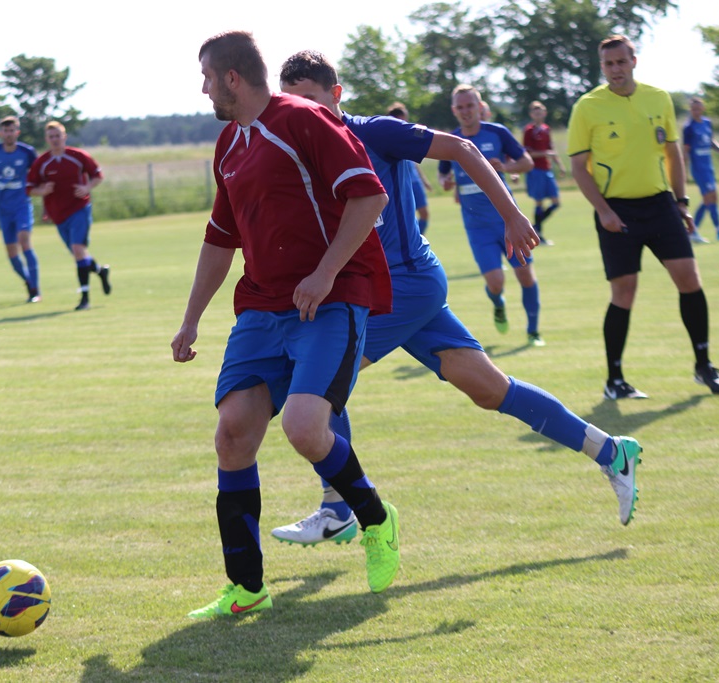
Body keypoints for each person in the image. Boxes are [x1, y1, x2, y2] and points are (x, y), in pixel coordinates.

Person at [270, 50, 642, 551]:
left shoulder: (377, 132)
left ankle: (338, 507)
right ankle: (611, 451)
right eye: (290, 102)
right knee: (490, 389)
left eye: (310, 100)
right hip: (380, 291)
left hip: (406, 285)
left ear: (335, 96)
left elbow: (464, 149)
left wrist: (511, 215)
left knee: (318, 379)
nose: (300, 112)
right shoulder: (300, 151)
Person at [170, 31, 399, 620]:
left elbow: (368, 199)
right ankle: (246, 588)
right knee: (233, 433)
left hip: (330, 301)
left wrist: (324, 274)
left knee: (303, 426)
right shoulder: (229, 144)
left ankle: (375, 518)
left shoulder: (303, 121)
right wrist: (191, 320)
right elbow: (221, 240)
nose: (202, 89)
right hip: (261, 310)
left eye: (205, 77)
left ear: (232, 79)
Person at [568, 35, 719, 399]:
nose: (615, 70)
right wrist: (604, 211)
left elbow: (673, 153)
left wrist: (682, 202)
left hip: (660, 205)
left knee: (689, 279)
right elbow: (578, 168)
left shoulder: (658, 99)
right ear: (602, 67)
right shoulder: (587, 106)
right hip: (617, 211)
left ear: (634, 61)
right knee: (624, 292)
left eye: (621, 62)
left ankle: (704, 366)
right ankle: (615, 381)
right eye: (608, 64)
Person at [437, 85, 544, 346]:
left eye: (470, 106)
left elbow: (527, 162)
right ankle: (498, 303)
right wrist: (446, 181)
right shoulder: (449, 140)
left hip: (507, 220)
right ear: (454, 110)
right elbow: (442, 173)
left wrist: (505, 166)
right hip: (476, 226)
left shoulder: (497, 133)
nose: (465, 112)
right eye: (460, 107)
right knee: (495, 283)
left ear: (480, 106)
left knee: (525, 276)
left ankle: (533, 331)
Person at [26, 121, 111, 310]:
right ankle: (100, 271)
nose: (55, 139)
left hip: (80, 209)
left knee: (78, 250)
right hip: (58, 215)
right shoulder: (42, 163)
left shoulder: (78, 156)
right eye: (51, 137)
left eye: (58, 136)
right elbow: (29, 188)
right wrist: (42, 190)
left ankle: (85, 298)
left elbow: (98, 175)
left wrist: (87, 187)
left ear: (64, 137)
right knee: (78, 255)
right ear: (46, 139)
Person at [0, 116, 40, 302]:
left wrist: (42, 197)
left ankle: (36, 290)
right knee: (11, 253)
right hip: (3, 207)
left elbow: (38, 176)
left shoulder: (27, 152)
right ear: (1, 133)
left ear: (17, 132)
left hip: (22, 204)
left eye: (12, 130)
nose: (8, 134)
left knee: (24, 241)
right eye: (5, 131)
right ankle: (29, 283)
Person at [683, 96, 719, 244]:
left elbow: (711, 141)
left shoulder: (707, 123)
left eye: (698, 108)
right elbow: (685, 151)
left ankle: (696, 231)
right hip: (698, 168)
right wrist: (684, 171)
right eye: (693, 109)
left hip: (708, 166)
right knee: (710, 197)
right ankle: (717, 231)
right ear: (690, 110)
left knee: (711, 199)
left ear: (703, 108)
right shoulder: (689, 127)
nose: (696, 111)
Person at [387, 102, 434, 234]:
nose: (405, 122)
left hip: (415, 182)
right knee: (406, 218)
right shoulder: (387, 138)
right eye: (402, 119)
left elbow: (413, 162)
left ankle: (418, 239)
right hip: (401, 183)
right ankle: (410, 242)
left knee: (424, 214)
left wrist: (424, 181)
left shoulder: (410, 134)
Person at [523, 101, 566, 245]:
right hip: (536, 171)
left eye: (540, 111)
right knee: (539, 202)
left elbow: (551, 148)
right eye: (535, 112)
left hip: (547, 170)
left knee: (556, 202)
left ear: (545, 113)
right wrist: (545, 153)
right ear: (531, 115)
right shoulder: (529, 130)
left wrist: (560, 165)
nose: (538, 114)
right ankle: (539, 235)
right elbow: (527, 153)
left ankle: (535, 228)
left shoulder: (546, 129)